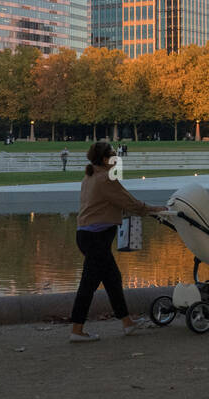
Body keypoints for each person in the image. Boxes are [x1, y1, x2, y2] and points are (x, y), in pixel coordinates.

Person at [70, 141, 167, 342]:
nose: (116, 159)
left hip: (89, 236)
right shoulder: (106, 179)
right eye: (113, 156)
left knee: (113, 280)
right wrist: (154, 209)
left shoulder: (90, 176)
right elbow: (128, 201)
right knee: (88, 285)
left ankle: (127, 323)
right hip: (96, 238)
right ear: (105, 159)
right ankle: (77, 330)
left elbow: (109, 203)